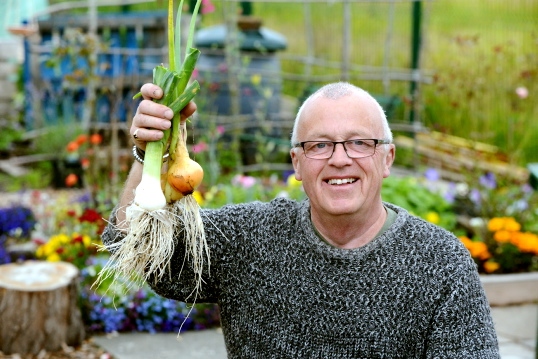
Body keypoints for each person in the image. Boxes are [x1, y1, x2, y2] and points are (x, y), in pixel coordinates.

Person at [102, 82, 500, 358]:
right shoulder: (249, 238)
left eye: (360, 142)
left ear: (387, 159)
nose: (339, 158)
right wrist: (148, 154)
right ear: (296, 162)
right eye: (319, 145)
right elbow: (130, 245)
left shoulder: (441, 263)